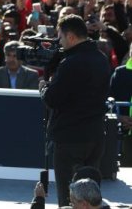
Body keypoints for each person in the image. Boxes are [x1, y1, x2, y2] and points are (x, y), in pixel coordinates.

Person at [40, 15, 111, 207]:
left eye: (61, 37)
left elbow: (52, 99)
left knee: (70, 197)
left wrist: (43, 88)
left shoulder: (71, 63)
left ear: (71, 36)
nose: (59, 42)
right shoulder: (101, 58)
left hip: (71, 138)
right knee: (91, 192)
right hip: (95, 135)